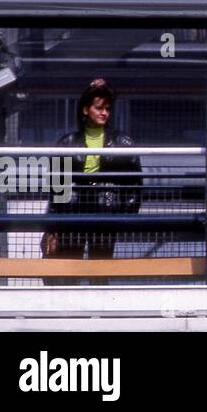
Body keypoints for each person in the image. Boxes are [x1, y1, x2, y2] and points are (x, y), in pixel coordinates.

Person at [43, 79, 142, 284]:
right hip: (74, 210)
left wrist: (125, 215)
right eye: (99, 108)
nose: (104, 113)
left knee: (101, 265)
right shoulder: (68, 142)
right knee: (72, 265)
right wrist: (53, 222)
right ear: (85, 110)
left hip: (105, 210)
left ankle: (100, 310)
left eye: (107, 108)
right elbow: (56, 186)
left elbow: (134, 183)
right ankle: (72, 311)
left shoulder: (123, 142)